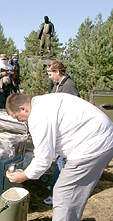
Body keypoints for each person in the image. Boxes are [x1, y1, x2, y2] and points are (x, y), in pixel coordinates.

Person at [6, 93, 113, 221]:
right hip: (102, 137)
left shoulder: (38, 117)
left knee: (65, 192)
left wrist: (23, 176)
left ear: (23, 108)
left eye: (18, 117)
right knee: (69, 194)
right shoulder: (43, 101)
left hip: (94, 145)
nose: (20, 121)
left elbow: (44, 160)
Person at [43, 60, 80, 205]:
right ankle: (55, 187)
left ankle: (56, 195)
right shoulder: (59, 85)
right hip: (59, 128)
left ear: (58, 72)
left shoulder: (69, 86)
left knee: (60, 162)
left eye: (51, 74)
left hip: (67, 131)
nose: (50, 77)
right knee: (58, 161)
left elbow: (73, 109)